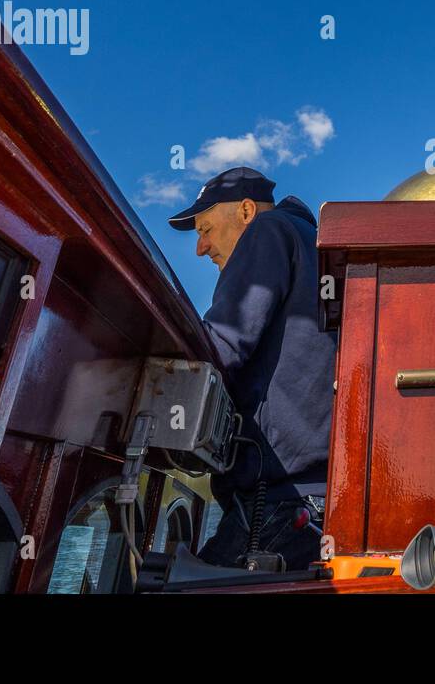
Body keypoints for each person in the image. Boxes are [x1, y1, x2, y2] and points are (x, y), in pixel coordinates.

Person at [167, 167, 335, 571]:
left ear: (245, 211)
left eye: (205, 229)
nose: (201, 248)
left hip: (279, 501)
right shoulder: (311, 247)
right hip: (314, 498)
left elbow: (222, 345)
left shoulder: (267, 230)